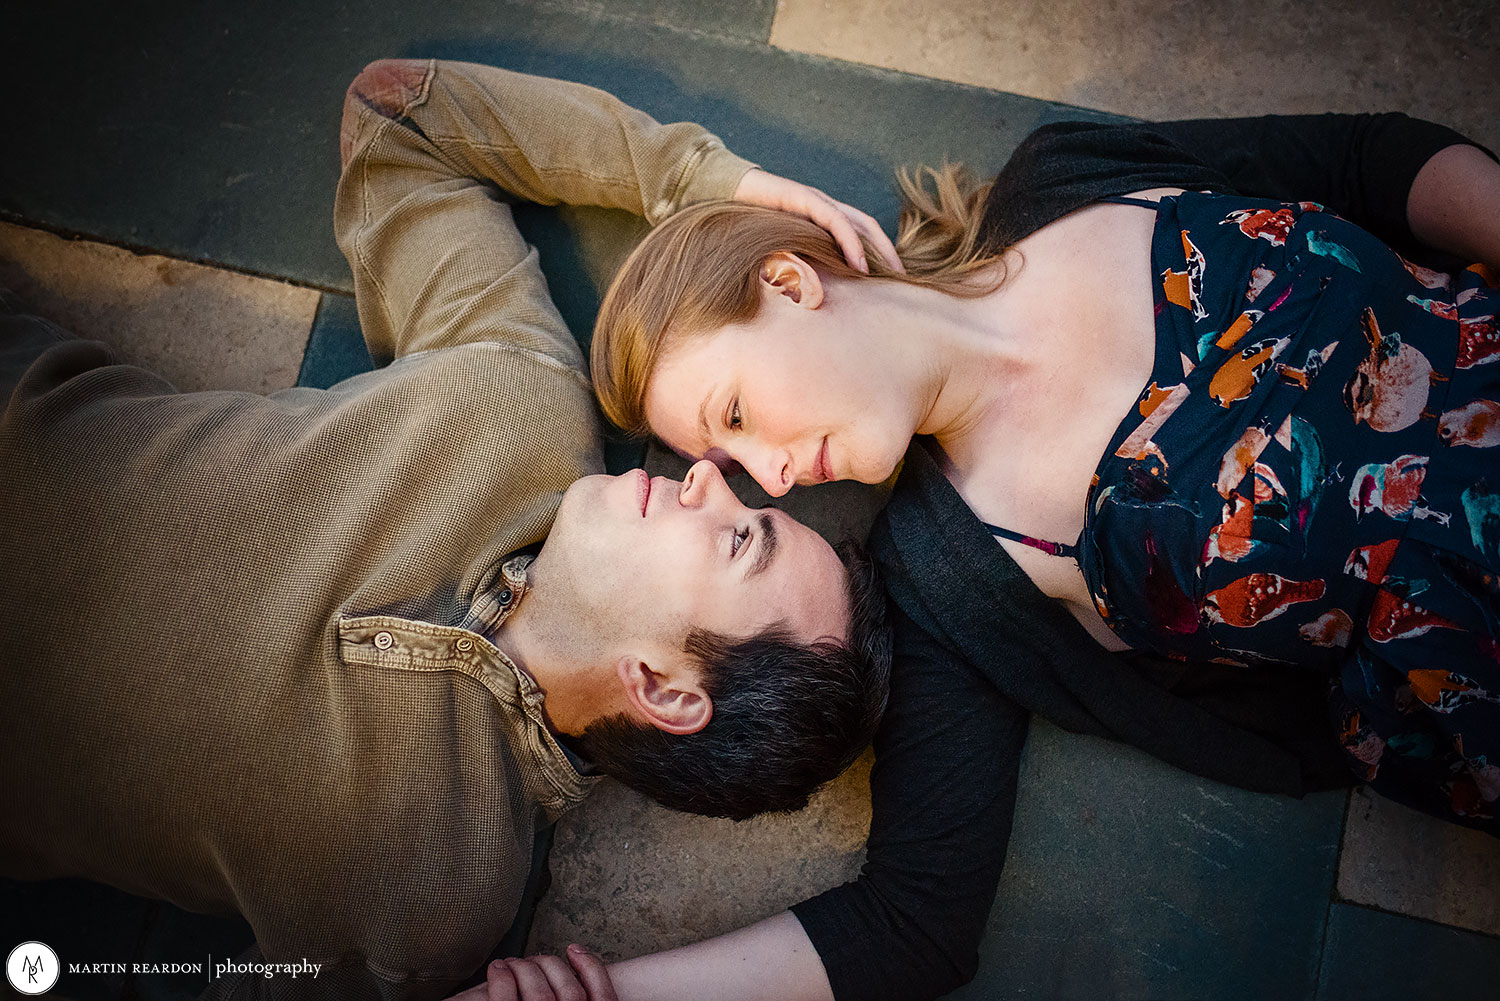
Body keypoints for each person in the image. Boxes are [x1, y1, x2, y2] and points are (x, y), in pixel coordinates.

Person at [0, 59, 891, 999]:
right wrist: (707, 183)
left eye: (739, 539)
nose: (708, 476)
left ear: (666, 693)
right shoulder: (522, 402)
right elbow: (399, 120)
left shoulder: (435, 897)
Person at [568, 114, 1500, 1001]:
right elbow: (911, 921)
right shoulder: (953, 583)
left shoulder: (1067, 174)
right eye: (732, 462)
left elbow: (1369, 158)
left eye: (735, 413)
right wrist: (601, 992)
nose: (770, 471)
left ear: (787, 281)